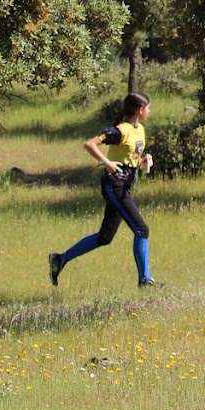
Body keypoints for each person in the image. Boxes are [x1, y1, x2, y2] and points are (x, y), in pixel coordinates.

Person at [49, 91, 159, 287]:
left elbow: (132, 156)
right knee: (141, 230)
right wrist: (107, 163)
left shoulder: (140, 129)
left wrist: (143, 161)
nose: (150, 111)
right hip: (114, 186)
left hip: (126, 185)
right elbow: (89, 144)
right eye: (148, 107)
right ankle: (145, 280)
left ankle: (59, 259)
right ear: (140, 110)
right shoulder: (120, 130)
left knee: (105, 237)